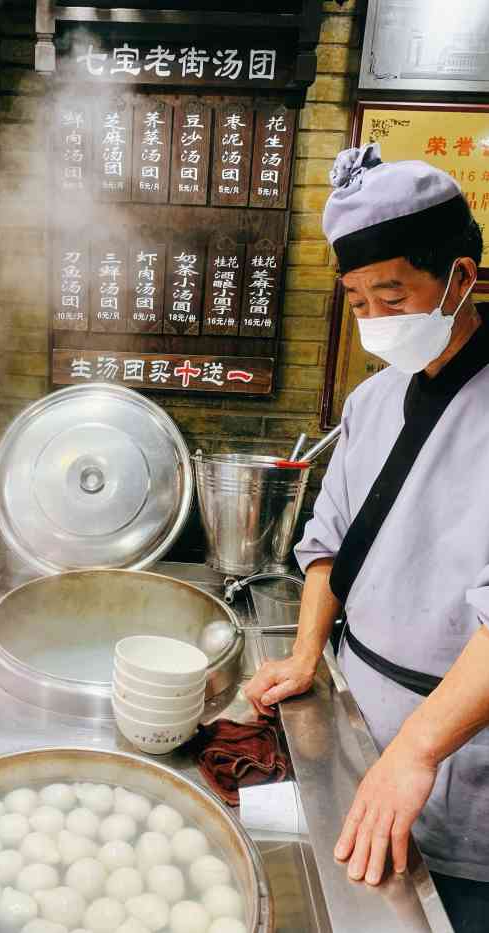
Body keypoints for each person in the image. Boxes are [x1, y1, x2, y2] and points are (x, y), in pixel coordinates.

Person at [244, 144, 489, 932]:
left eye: (394, 294)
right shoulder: (374, 400)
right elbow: (328, 543)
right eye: (359, 302)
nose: (378, 322)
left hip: (458, 759)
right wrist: (307, 653)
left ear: (460, 277)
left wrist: (418, 752)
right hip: (356, 728)